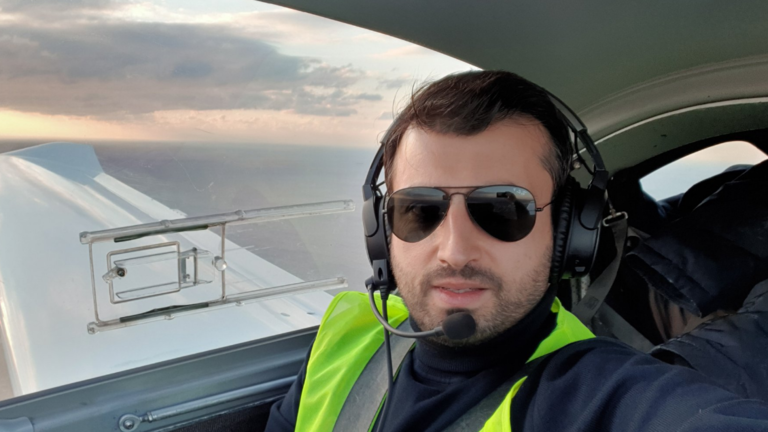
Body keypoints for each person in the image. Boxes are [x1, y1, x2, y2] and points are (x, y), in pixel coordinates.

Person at [264, 70, 768, 431]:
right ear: (381, 229)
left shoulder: (597, 393)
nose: (454, 250)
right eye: (419, 210)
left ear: (569, 233)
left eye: (503, 210)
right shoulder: (344, 336)